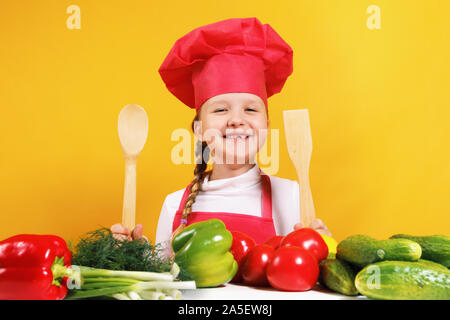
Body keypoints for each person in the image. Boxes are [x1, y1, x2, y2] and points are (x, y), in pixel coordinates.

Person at [111, 18, 331, 251]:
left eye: (250, 109)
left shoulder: (291, 196)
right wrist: (137, 255)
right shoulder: (174, 204)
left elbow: (304, 273)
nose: (236, 120)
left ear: (266, 126)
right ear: (200, 129)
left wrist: (323, 250)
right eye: (220, 110)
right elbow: (168, 280)